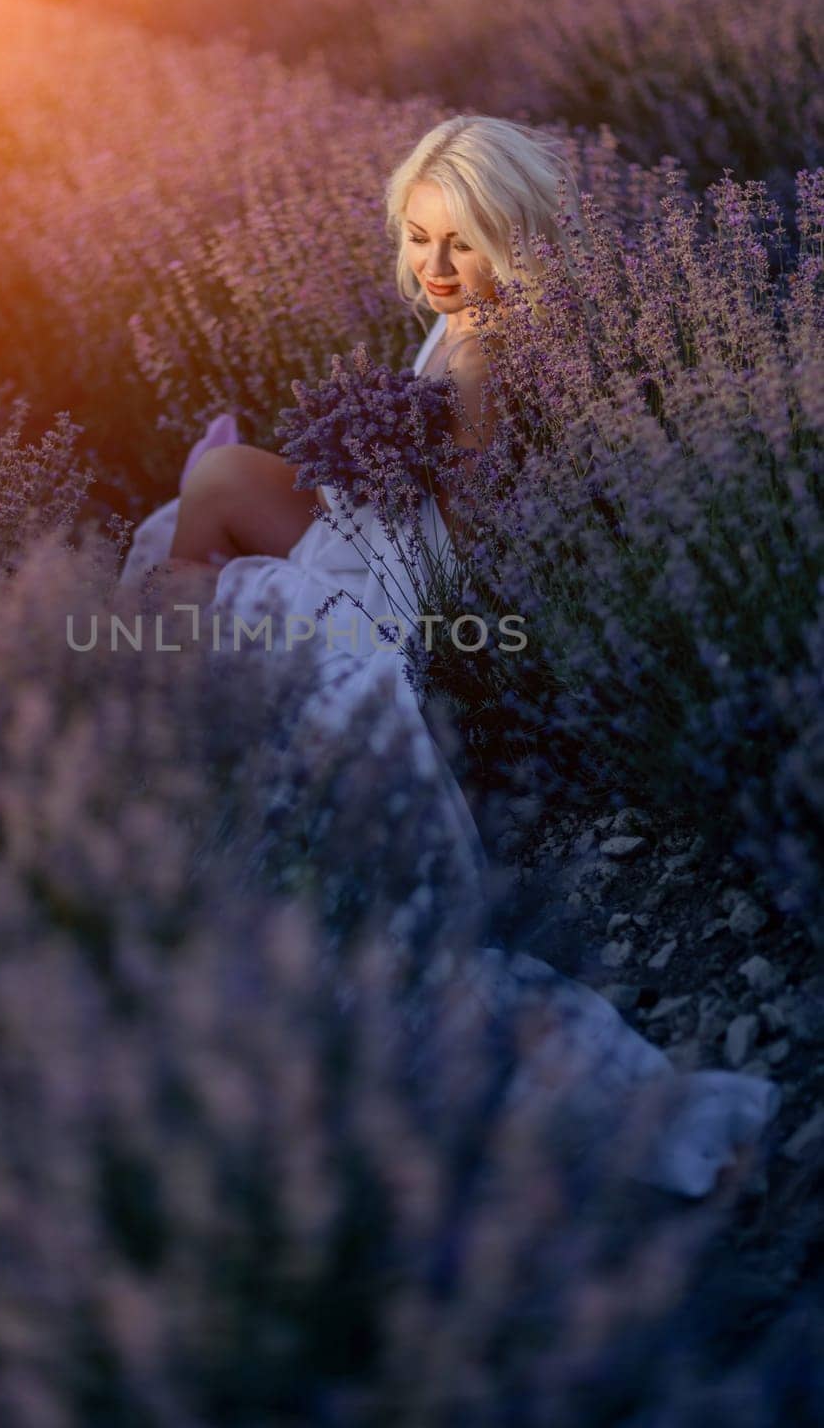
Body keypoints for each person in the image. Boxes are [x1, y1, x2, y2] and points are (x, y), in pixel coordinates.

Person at [118, 115, 780, 1197]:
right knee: (220, 485)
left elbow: (470, 522)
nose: (432, 267)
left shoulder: (486, 343)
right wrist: (365, 439)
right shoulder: (477, 323)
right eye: (418, 240)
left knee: (220, 484)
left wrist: (381, 463)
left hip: (411, 565)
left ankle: (173, 645)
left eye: (459, 244)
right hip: (392, 523)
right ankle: (182, 623)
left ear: (511, 236)